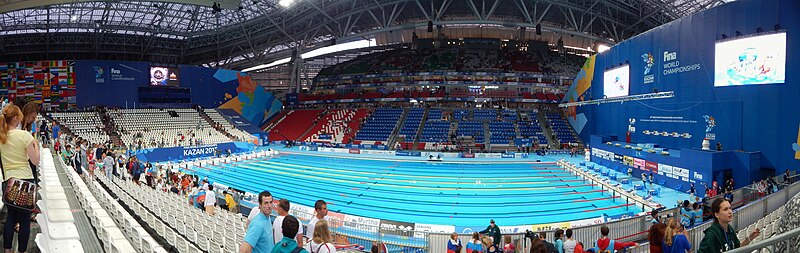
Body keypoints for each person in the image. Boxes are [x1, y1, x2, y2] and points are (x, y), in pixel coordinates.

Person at [0, 104, 40, 253]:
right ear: (16, 118)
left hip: (8, 181)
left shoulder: (1, 135)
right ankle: (21, 251)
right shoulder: (24, 136)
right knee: (24, 221)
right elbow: (35, 161)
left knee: (10, 218)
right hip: (26, 181)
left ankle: (7, 250)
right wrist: (35, 145)